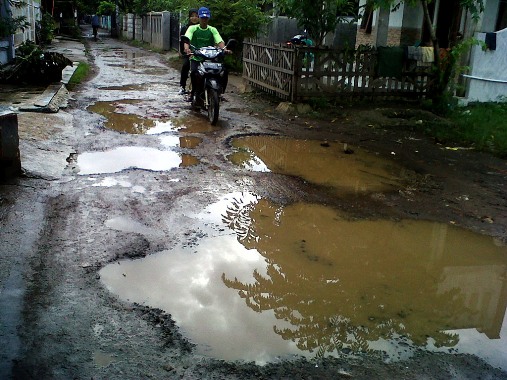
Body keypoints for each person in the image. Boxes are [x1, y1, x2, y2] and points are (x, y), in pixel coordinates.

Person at [183, 6, 231, 103]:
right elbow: (187, 39)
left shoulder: (212, 29)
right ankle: (193, 93)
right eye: (202, 18)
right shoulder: (193, 28)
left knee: (223, 71)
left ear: (208, 18)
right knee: (193, 73)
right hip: (197, 57)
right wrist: (187, 49)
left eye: (206, 18)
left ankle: (220, 92)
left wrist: (225, 49)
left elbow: (219, 40)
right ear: (199, 18)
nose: (204, 20)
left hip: (210, 58)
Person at [178, 9, 199, 95]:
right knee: (186, 65)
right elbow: (182, 42)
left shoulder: (202, 28)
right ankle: (182, 86)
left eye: (196, 16)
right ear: (189, 17)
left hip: (201, 52)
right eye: (192, 16)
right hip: (189, 52)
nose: (194, 18)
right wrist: (184, 51)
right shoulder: (185, 28)